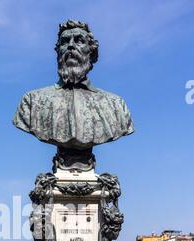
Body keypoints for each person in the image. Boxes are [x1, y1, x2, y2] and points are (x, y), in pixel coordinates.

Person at [13, 19, 134, 150]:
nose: (70, 45)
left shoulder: (115, 104)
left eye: (79, 41)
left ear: (91, 52)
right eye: (65, 42)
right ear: (58, 51)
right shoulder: (32, 101)